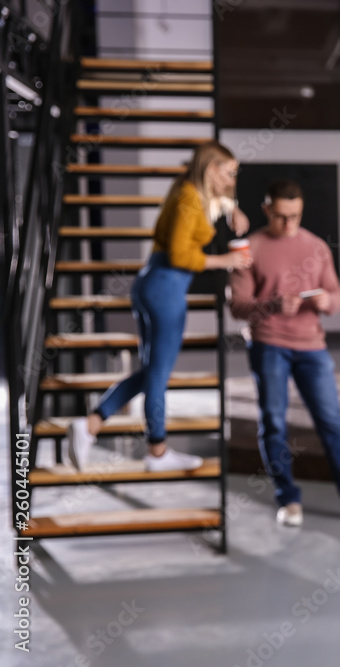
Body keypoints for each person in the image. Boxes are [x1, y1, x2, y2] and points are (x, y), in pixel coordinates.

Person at [67, 141, 252, 472]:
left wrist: (232, 207)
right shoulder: (189, 200)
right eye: (229, 172)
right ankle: (157, 451)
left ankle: (92, 425)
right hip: (166, 288)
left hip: (154, 283)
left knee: (152, 370)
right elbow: (181, 255)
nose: (232, 177)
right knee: (158, 375)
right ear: (211, 169)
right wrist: (226, 260)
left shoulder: (190, 190)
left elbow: (217, 202)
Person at [229, 179, 340, 527]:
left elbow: (337, 297)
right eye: (280, 217)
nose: (289, 224)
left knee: (332, 425)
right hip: (269, 344)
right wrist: (274, 304)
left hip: (312, 346)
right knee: (274, 424)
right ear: (266, 210)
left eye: (295, 216)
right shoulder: (250, 248)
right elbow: (237, 307)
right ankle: (288, 500)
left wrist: (326, 301)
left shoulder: (317, 247)